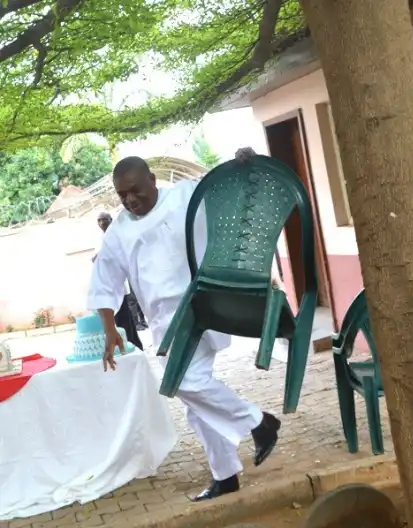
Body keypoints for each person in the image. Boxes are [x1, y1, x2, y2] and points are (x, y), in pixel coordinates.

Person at [87, 152, 280, 501]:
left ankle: (258, 422)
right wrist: (110, 328)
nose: (130, 200)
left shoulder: (185, 195)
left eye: (135, 190)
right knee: (195, 399)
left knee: (185, 383)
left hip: (203, 305)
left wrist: (242, 162)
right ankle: (226, 474)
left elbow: (225, 186)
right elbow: (104, 280)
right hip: (163, 322)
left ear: (152, 180)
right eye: (122, 195)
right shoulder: (118, 232)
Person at [94, 212, 144, 351]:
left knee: (125, 321)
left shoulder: (117, 236)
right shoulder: (100, 239)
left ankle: (134, 346)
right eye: (99, 220)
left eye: (105, 219)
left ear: (111, 220)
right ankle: (125, 346)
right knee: (116, 321)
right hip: (108, 287)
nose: (102, 222)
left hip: (120, 287)